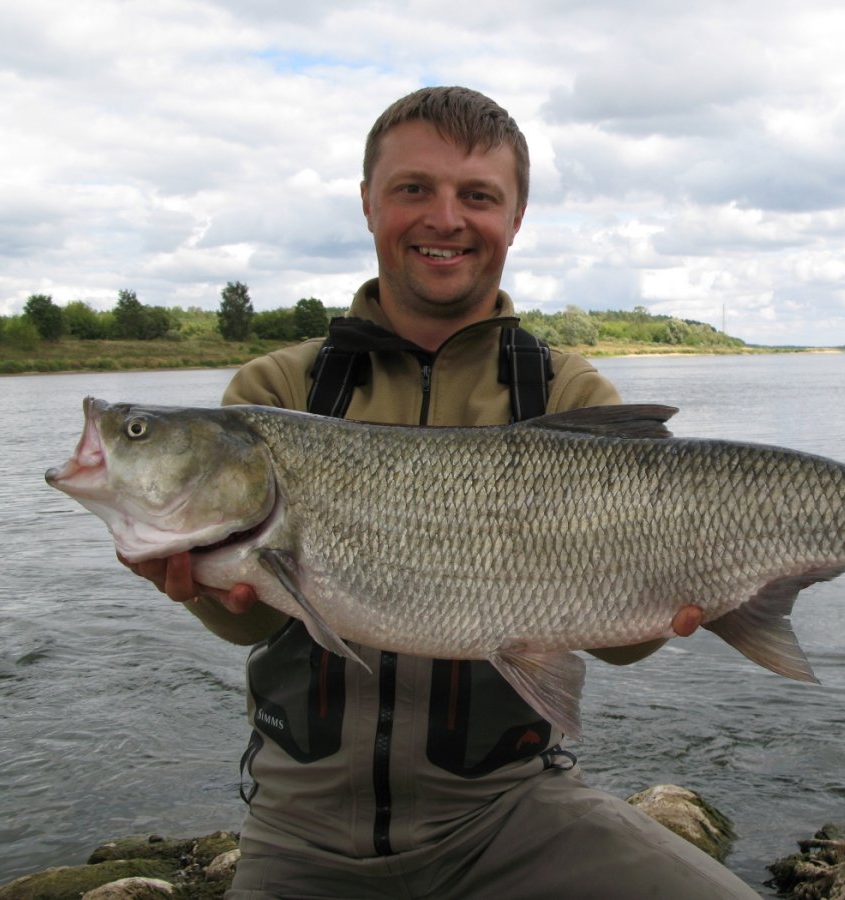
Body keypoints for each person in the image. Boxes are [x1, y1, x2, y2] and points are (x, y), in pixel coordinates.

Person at [124, 86, 760, 899]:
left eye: (478, 196)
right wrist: (192, 583)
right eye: (414, 188)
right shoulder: (277, 391)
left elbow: (620, 642)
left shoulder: (568, 394)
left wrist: (672, 603)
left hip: (515, 817)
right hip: (301, 836)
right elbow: (246, 620)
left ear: (516, 216)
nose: (445, 219)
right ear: (368, 203)